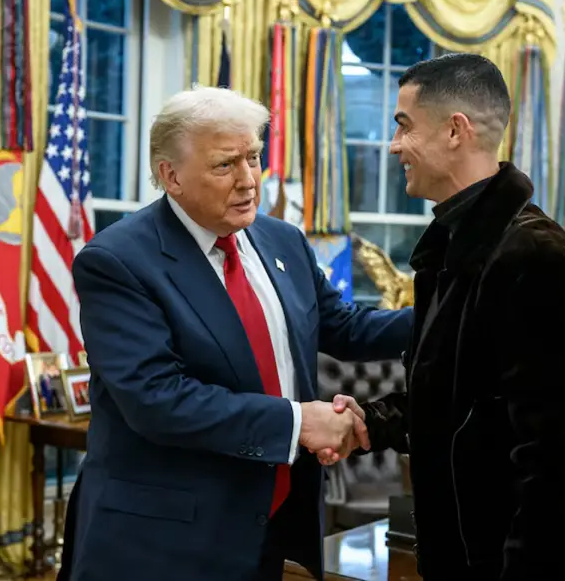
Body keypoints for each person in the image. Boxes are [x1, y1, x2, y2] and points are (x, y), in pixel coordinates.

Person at [67, 86, 413, 581]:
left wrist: (451, 311)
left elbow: (343, 326)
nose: (249, 180)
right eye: (225, 165)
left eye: (253, 156)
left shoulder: (281, 239)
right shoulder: (117, 261)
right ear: (171, 175)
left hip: (265, 525)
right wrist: (298, 423)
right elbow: (156, 399)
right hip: (161, 538)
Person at [347, 53, 565, 579]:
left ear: (455, 131)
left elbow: (563, 464)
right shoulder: (455, 249)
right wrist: (372, 422)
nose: (394, 145)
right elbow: (460, 406)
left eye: (404, 126)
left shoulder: (535, 257)